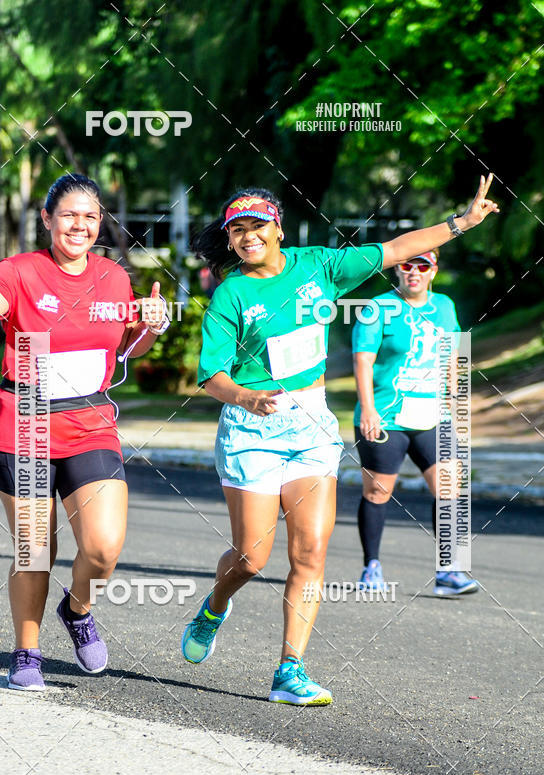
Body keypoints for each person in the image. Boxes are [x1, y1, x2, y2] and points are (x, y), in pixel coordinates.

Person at [182, 177, 498, 706]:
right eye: (236, 230)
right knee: (252, 558)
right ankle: (214, 608)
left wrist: (461, 223)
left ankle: (290, 670)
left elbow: (396, 248)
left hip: (310, 425)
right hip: (251, 430)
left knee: (310, 552)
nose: (247, 236)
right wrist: (245, 396)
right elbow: (211, 375)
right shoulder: (231, 294)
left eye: (257, 225)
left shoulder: (321, 266)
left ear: (278, 229)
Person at [0, 169, 168, 690]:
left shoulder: (113, 277)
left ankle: (78, 608)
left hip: (90, 421)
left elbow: (127, 349)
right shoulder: (22, 271)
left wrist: (152, 326)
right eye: (68, 215)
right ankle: (27, 652)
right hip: (24, 422)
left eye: (90, 217)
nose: (79, 225)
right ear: (47, 219)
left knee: (103, 548)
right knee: (35, 550)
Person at [353, 249, 477, 596]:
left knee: (449, 487)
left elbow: (453, 354)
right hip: (386, 416)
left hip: (432, 416)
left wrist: (456, 398)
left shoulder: (445, 306)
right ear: (398, 270)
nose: (414, 272)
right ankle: (371, 567)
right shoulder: (377, 307)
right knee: (378, 491)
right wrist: (368, 409)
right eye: (408, 265)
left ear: (433, 272)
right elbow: (363, 361)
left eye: (423, 266)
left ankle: (448, 571)